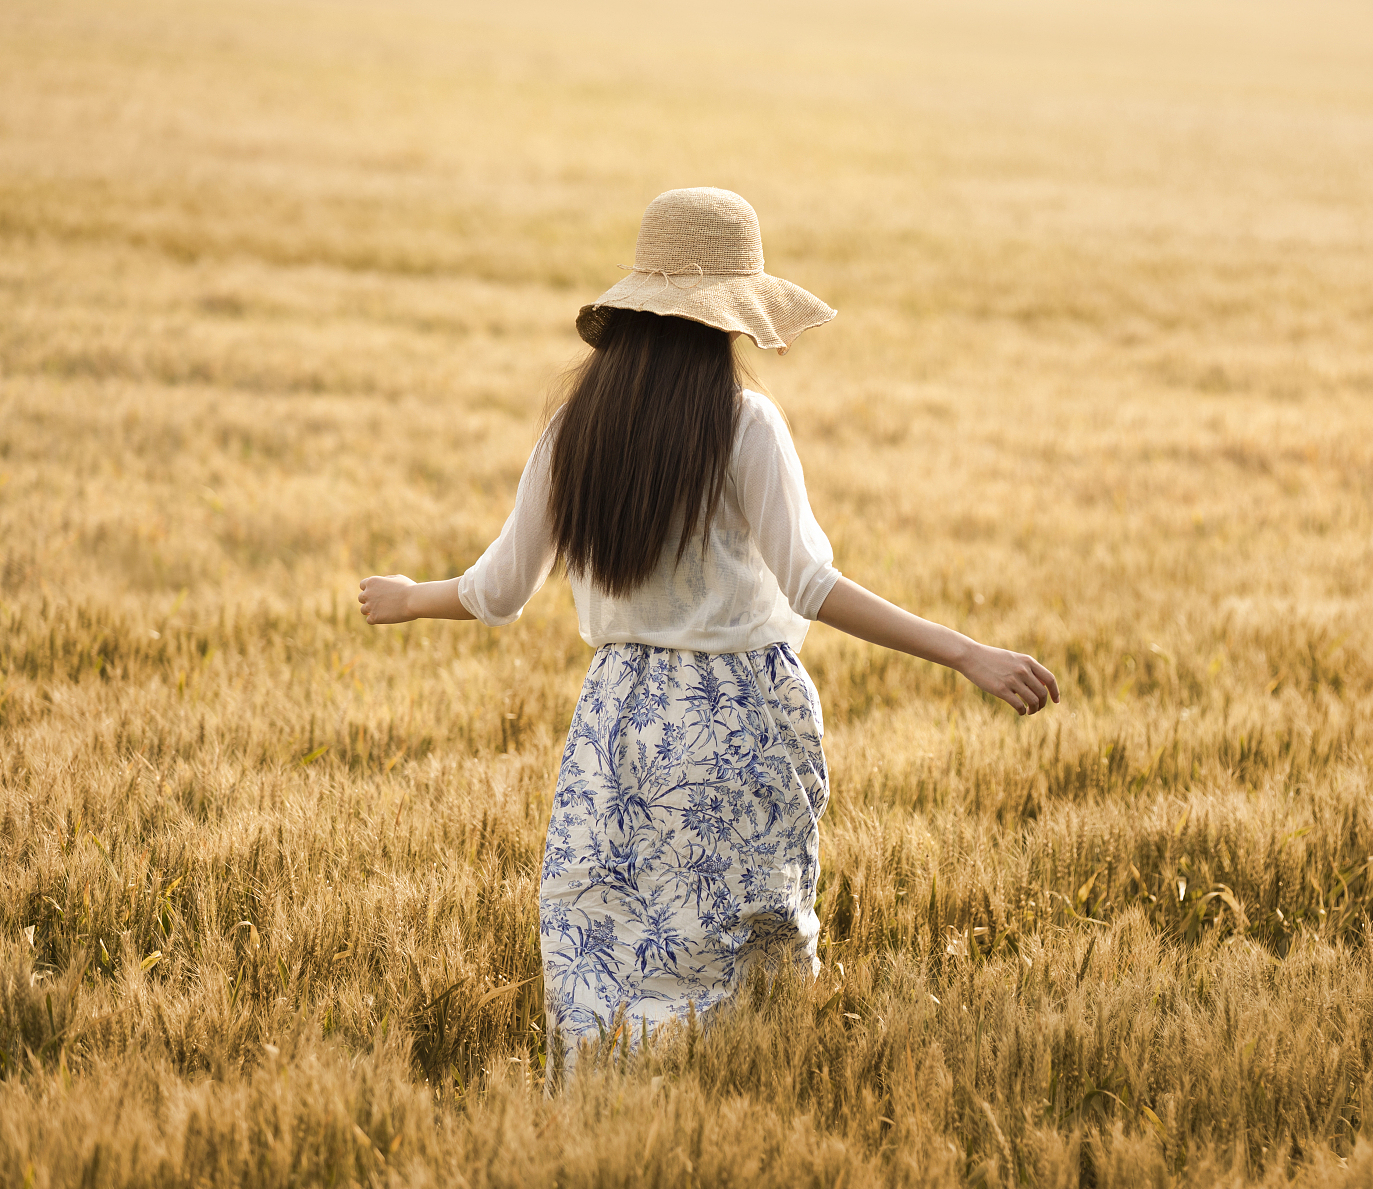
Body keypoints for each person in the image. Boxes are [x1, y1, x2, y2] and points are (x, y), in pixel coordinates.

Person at [357, 187, 1058, 1079]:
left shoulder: (579, 425)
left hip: (619, 728)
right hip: (739, 719)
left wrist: (413, 596)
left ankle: (602, 1132)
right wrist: (966, 651)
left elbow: (499, 588)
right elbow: (811, 584)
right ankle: (739, 1118)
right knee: (744, 956)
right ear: (729, 316)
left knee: (606, 946)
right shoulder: (744, 422)